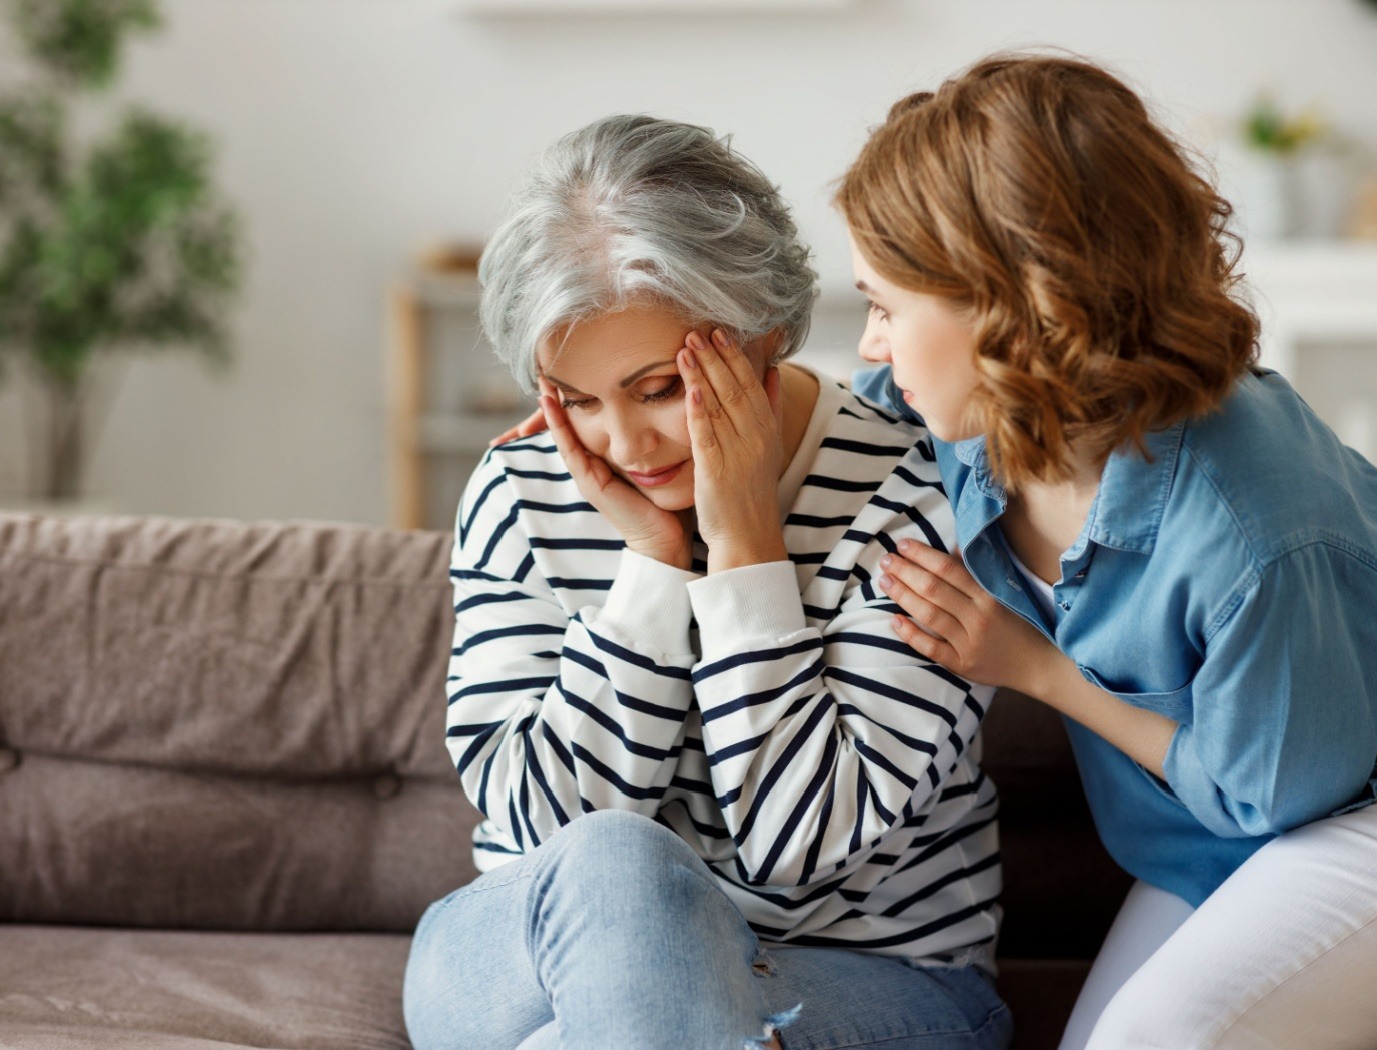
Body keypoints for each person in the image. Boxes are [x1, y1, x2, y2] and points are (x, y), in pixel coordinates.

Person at [839, 53, 1377, 1049]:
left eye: (885, 307)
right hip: (1229, 827)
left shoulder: (1260, 529)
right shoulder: (972, 415)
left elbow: (1275, 798)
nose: (868, 345)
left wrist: (1038, 670)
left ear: (1006, 311)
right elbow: (811, 427)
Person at [401, 114, 1011, 1050]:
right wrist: (651, 571)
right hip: (528, 957)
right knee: (611, 861)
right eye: (574, 399)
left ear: (766, 333)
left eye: (657, 388)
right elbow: (543, 829)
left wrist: (747, 554)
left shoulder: (907, 494)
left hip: (859, 972)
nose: (622, 444)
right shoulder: (521, 485)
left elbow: (799, 848)